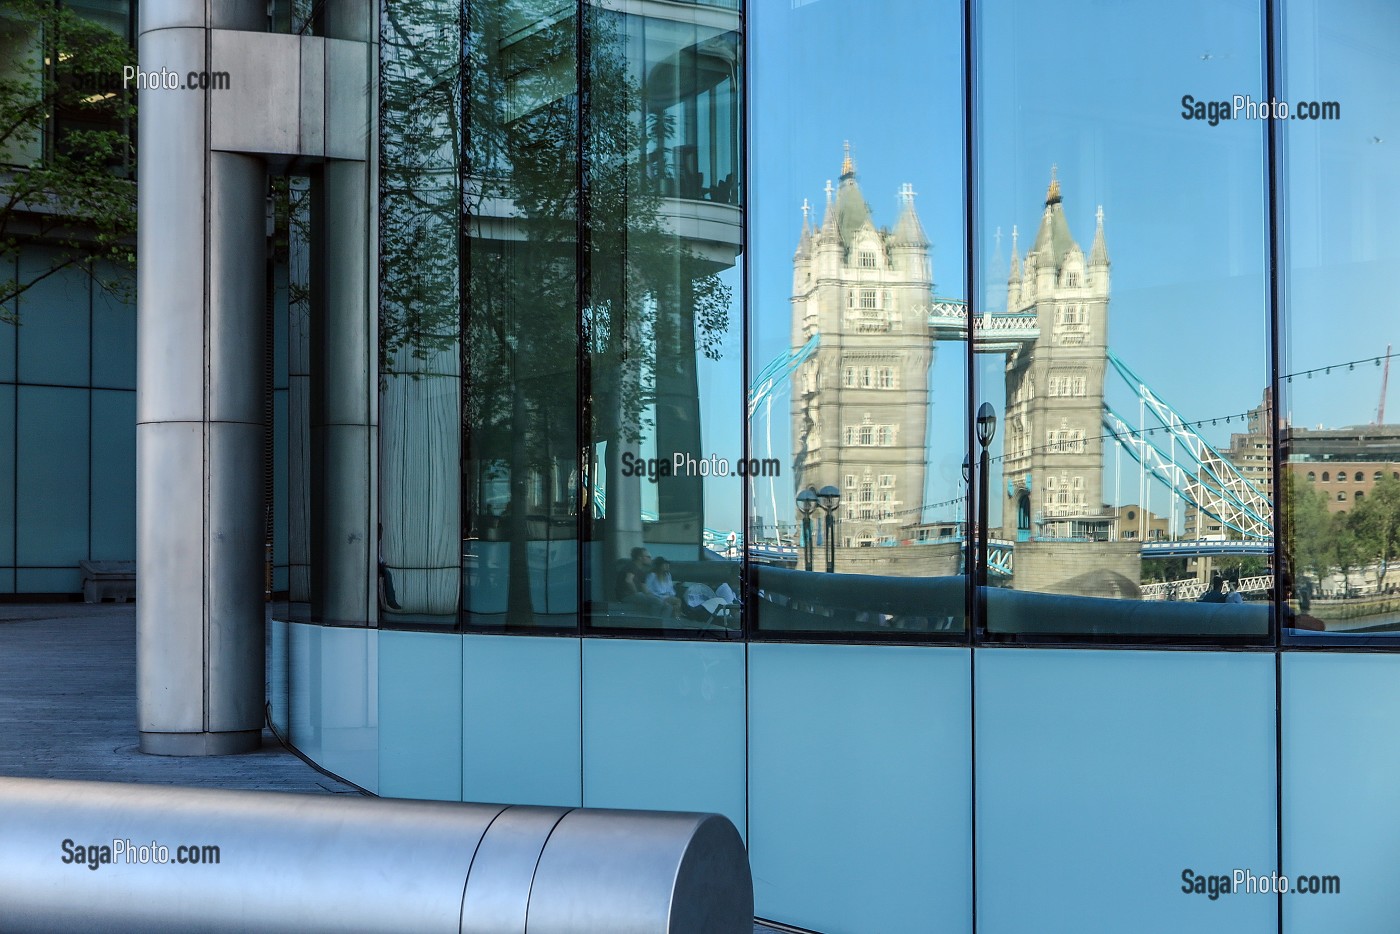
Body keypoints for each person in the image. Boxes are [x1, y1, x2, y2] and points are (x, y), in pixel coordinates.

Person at [615, 547, 670, 617]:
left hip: (636, 595)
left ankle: (663, 625)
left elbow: (645, 589)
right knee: (657, 602)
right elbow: (628, 580)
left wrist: (659, 598)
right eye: (648, 557)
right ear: (640, 558)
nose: (651, 559)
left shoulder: (641, 571)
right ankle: (654, 623)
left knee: (668, 606)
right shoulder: (632, 566)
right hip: (626, 596)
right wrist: (636, 592)